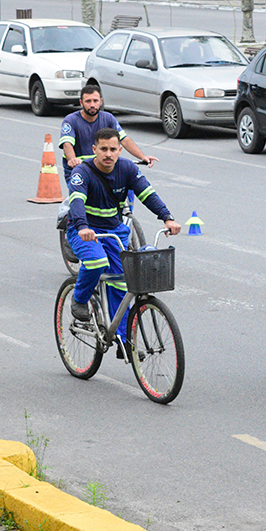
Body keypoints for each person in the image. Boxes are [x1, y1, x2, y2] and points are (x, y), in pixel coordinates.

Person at [65, 128, 181, 345]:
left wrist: (167, 217)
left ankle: (124, 339)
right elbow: (77, 201)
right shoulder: (82, 172)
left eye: (113, 149)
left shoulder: (127, 168)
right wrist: (82, 226)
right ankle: (79, 298)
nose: (108, 154)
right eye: (103, 149)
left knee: (121, 283)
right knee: (97, 261)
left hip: (114, 231)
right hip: (84, 231)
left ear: (120, 150)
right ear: (94, 149)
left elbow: (147, 193)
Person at [59, 84, 156, 172]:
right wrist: (73, 160)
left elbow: (124, 140)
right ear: (81, 103)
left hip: (102, 167)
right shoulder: (71, 120)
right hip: (79, 169)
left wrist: (142, 157)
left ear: (101, 101)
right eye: (88, 101)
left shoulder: (108, 118)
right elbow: (67, 144)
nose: (92, 105)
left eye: (95, 101)